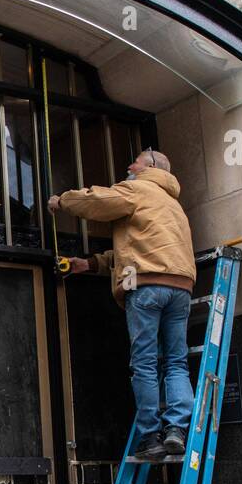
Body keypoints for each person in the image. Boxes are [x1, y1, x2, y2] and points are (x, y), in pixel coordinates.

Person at [49, 149, 196, 459]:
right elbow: (136, 249)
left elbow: (96, 201)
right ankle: (175, 429)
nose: (130, 166)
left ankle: (149, 437)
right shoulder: (173, 206)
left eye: (137, 161)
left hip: (144, 286)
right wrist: (88, 264)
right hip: (180, 288)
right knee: (176, 362)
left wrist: (62, 202)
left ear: (151, 166)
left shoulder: (138, 188)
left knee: (144, 362)